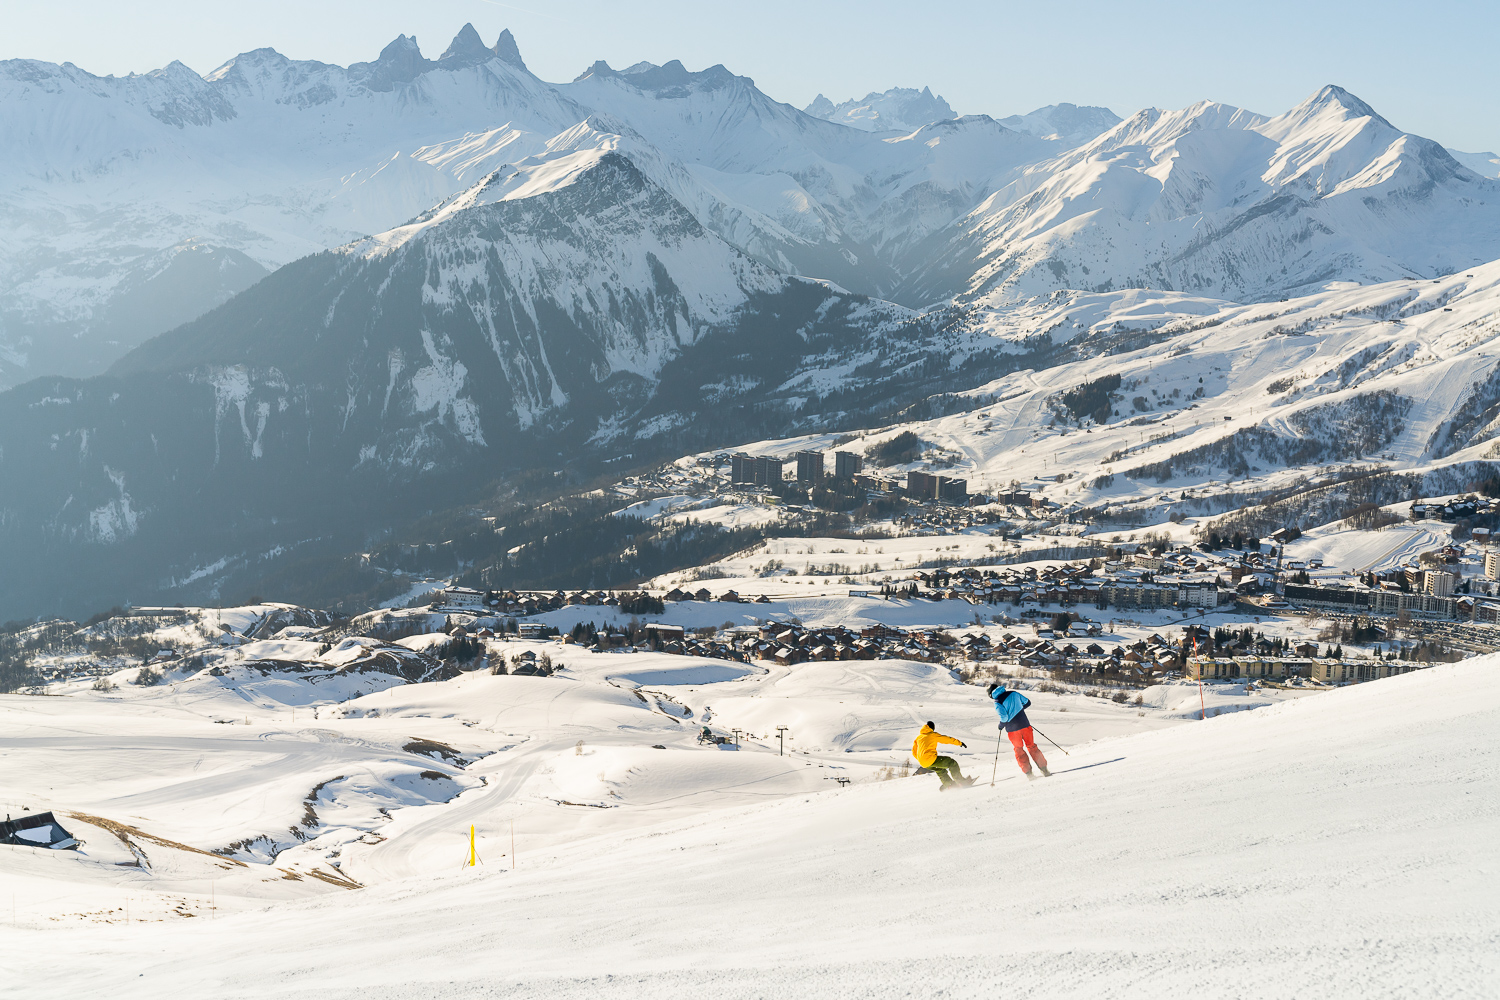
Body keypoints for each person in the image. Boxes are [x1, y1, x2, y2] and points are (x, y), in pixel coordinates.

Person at [988, 682, 1050, 778]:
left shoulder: (997, 702)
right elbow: (1027, 702)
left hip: (1013, 731)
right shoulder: (1014, 693)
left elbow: (1004, 717)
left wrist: (1000, 725)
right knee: (1032, 746)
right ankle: (1044, 770)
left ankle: (1029, 774)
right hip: (1025, 725)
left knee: (1019, 750)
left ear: (991, 694)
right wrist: (1019, 710)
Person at [911, 721, 973, 789]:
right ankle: (961, 782)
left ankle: (949, 785)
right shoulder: (932, 735)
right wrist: (959, 743)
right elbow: (946, 739)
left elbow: (914, 751)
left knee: (940, 770)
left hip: (923, 763)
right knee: (952, 763)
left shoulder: (918, 738)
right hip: (930, 759)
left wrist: (921, 759)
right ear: (932, 728)